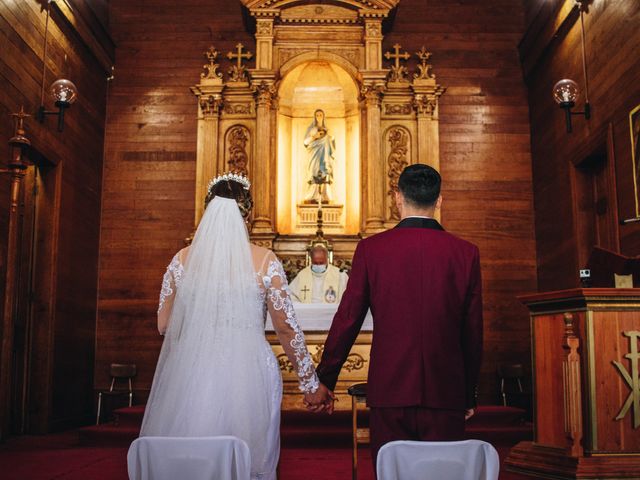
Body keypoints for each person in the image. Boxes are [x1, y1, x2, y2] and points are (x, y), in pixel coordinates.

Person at [139, 172, 333, 480]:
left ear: (208, 210)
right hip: (248, 370)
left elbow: (164, 325)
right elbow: (286, 329)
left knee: (192, 457)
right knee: (246, 458)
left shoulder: (181, 260)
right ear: (247, 213)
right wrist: (310, 384)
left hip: (192, 370)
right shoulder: (264, 260)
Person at [313, 164, 483, 468]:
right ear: (439, 200)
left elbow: (348, 318)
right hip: (446, 389)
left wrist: (325, 378)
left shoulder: (371, 250)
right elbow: (472, 330)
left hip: (390, 388)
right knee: (443, 474)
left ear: (397, 197)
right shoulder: (465, 253)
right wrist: (468, 391)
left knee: (393, 473)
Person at [303, 109, 335, 203]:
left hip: (324, 156)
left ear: (323, 116)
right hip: (314, 155)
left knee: (325, 173)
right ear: (315, 117)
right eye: (317, 115)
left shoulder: (327, 130)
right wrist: (314, 137)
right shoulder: (311, 129)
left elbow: (332, 144)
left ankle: (325, 197)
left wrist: (330, 138)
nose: (319, 117)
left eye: (321, 115)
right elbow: (305, 142)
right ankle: (312, 197)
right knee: (313, 173)